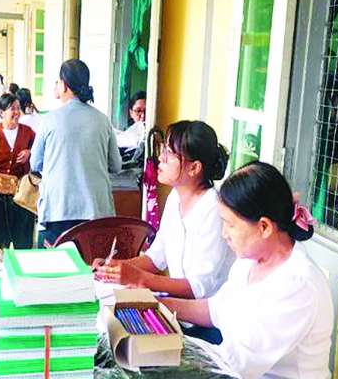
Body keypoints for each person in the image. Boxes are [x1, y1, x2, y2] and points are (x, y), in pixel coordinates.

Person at [161, 162, 335, 379]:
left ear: (264, 227)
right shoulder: (248, 263)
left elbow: (236, 363)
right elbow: (216, 310)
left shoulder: (297, 284)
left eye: (229, 224)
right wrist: (158, 306)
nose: (223, 234)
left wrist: (166, 364)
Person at [95, 120, 234, 343]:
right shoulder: (175, 198)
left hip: (208, 326)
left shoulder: (213, 210)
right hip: (179, 314)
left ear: (194, 168)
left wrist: (140, 278)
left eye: (169, 153)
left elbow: (198, 288)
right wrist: (114, 269)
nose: (160, 158)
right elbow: (155, 257)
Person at [31, 59, 122, 246]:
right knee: (93, 263)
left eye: (58, 81)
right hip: (96, 212)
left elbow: (35, 163)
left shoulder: (49, 120)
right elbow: (116, 165)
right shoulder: (102, 120)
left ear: (64, 85)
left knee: (55, 264)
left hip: (57, 210)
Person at [0, 93, 36, 250]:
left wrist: (30, 152)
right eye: (12, 109)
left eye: (18, 108)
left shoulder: (28, 132)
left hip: (20, 188)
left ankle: (22, 253)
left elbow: (39, 150)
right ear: (1, 113)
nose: (16, 112)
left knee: (25, 215)